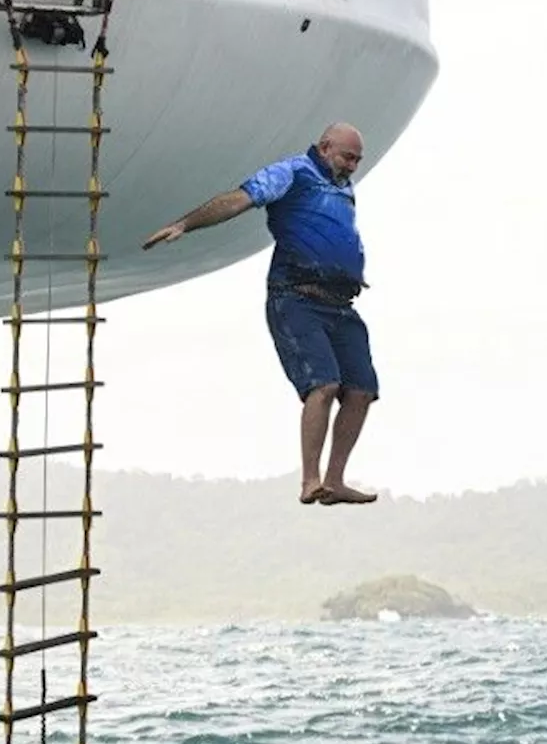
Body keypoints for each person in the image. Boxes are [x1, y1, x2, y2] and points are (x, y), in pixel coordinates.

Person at [142, 122, 380, 506]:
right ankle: (310, 479)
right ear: (324, 147)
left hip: (341, 302)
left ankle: (335, 480)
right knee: (324, 385)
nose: (353, 165)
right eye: (347, 157)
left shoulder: (341, 185)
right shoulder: (293, 172)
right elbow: (240, 198)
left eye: (357, 160)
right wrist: (185, 224)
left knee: (362, 390)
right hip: (297, 297)